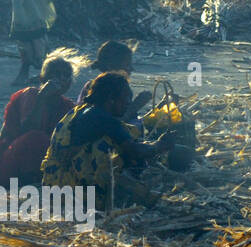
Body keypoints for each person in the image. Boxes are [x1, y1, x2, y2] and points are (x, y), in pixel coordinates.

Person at [41, 72, 174, 210]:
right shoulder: (104, 119)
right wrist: (160, 145)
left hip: (52, 186)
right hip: (74, 194)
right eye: (126, 98)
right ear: (111, 99)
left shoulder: (79, 111)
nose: (128, 103)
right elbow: (136, 151)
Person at [0, 54, 74, 189]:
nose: (62, 79)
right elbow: (28, 132)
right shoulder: (31, 95)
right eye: (56, 74)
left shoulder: (68, 106)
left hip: (43, 166)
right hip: (10, 167)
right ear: (42, 78)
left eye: (66, 75)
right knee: (37, 138)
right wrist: (42, 98)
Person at [76, 40, 149, 122]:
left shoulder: (119, 88)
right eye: (127, 65)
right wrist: (136, 105)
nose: (131, 69)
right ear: (110, 66)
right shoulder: (99, 89)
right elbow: (110, 124)